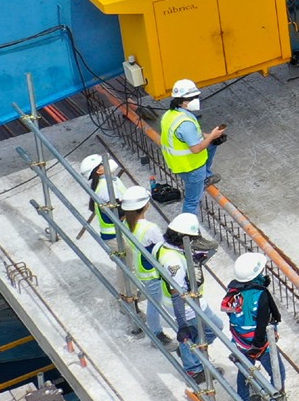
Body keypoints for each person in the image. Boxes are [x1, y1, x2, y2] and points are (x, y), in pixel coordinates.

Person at [222, 252, 283, 401]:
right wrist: (258, 345)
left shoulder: (233, 288)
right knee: (278, 373)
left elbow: (232, 312)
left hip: (240, 341)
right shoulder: (261, 295)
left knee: (245, 370)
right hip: (259, 343)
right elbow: (262, 323)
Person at [155, 213, 212, 385]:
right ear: (183, 240)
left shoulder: (162, 246)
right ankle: (193, 367)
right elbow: (176, 293)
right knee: (210, 330)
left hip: (193, 303)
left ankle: (188, 351)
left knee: (198, 333)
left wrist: (194, 261)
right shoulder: (174, 262)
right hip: (188, 307)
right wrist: (182, 325)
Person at [81, 155, 137, 323]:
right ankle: (128, 298)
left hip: (118, 233)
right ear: (99, 169)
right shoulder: (106, 187)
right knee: (127, 268)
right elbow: (119, 212)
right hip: (115, 235)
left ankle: (129, 295)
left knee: (126, 266)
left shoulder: (107, 182)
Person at [159, 79, 223, 221]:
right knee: (192, 201)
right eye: (192, 98)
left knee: (212, 144)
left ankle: (206, 177)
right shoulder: (185, 123)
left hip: (178, 163)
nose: (196, 100)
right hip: (191, 167)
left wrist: (211, 138)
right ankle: (189, 233)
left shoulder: (172, 115)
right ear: (183, 101)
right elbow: (196, 148)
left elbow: (196, 135)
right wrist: (211, 135)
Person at [118, 183, 167, 340]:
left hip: (141, 269)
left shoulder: (126, 224)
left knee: (156, 301)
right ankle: (157, 333)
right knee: (154, 305)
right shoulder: (150, 228)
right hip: (152, 272)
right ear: (145, 206)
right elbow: (163, 248)